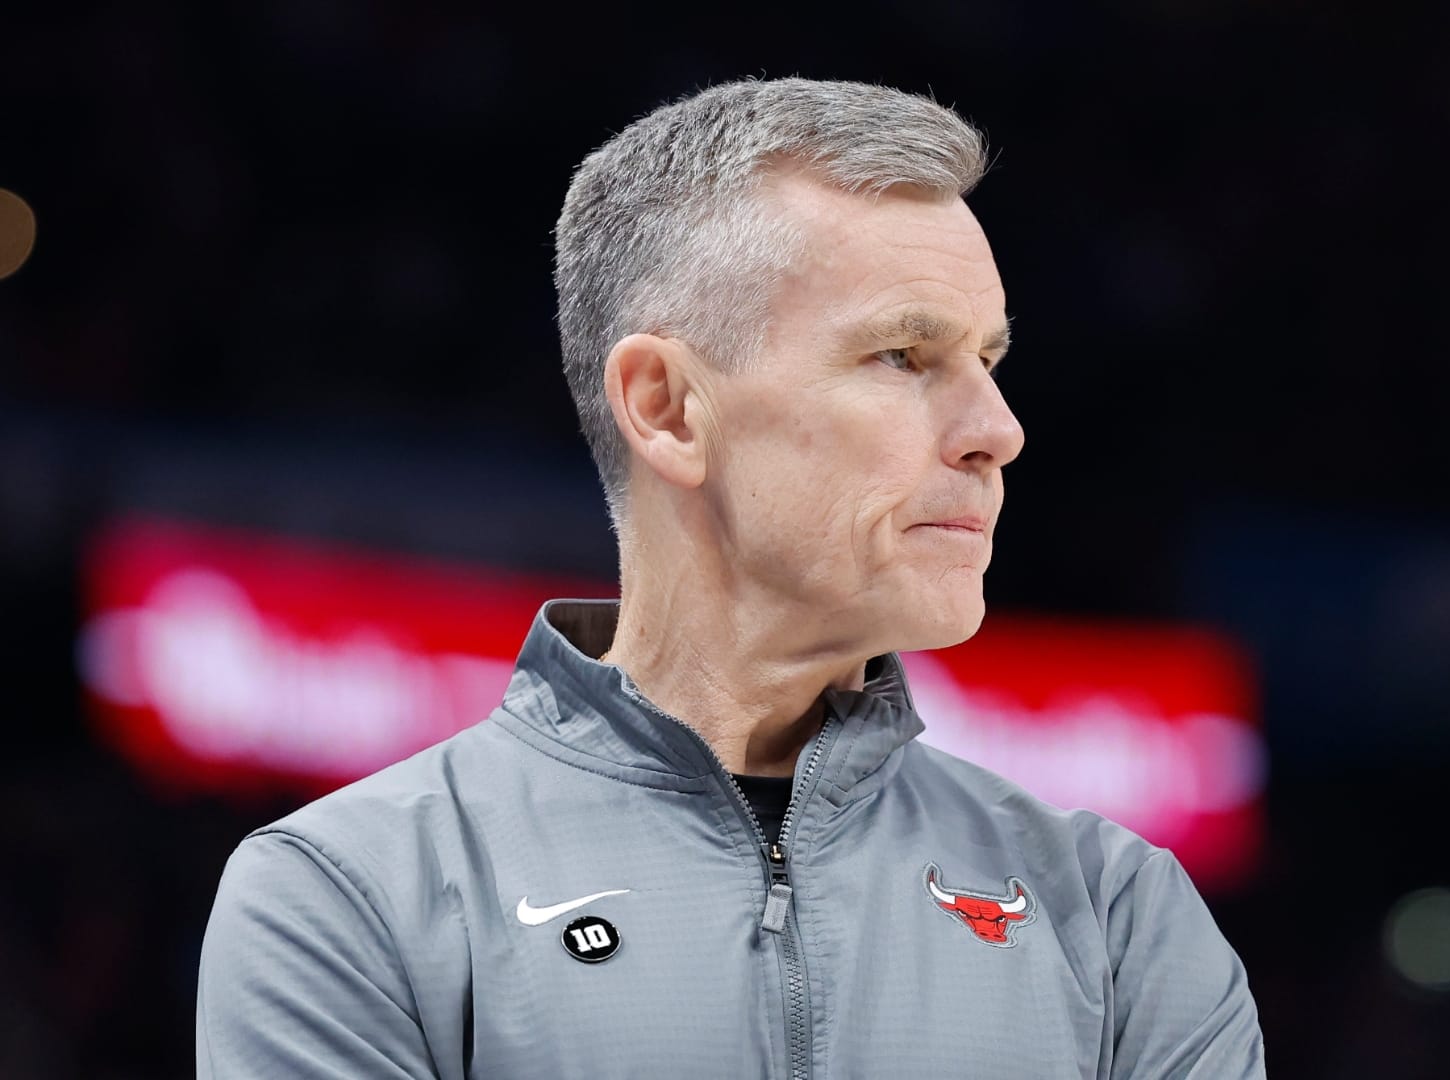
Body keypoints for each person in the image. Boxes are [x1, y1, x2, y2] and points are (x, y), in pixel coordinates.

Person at [196, 77, 1264, 1078]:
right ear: (666, 407)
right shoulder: (352, 897)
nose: (999, 430)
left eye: (987, 361)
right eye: (903, 356)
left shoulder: (1118, 917)